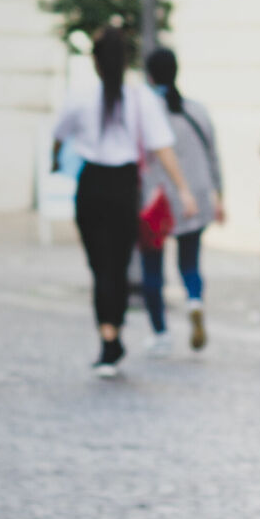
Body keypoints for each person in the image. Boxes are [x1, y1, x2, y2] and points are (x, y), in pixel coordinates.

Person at [51, 28, 197, 376]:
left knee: (99, 266)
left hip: (92, 183)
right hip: (124, 185)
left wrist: (54, 161)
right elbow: (163, 147)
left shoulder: (81, 96)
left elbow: (58, 136)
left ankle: (108, 335)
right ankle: (112, 332)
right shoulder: (141, 99)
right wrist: (183, 189)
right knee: (116, 264)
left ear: (95, 62)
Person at [137, 47, 224, 354]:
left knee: (152, 268)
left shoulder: (145, 112)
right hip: (195, 196)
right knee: (190, 261)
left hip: (156, 198)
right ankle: (194, 301)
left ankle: (160, 333)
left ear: (149, 74)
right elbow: (213, 155)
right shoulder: (197, 110)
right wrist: (219, 195)